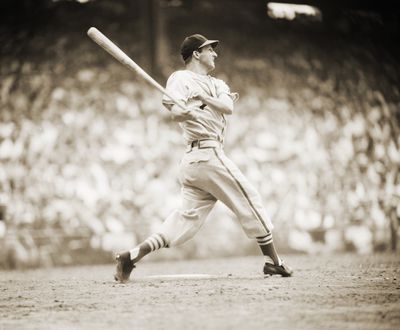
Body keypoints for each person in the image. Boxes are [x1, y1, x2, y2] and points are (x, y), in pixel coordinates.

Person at [114, 34, 293, 282]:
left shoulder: (218, 84)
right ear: (197, 54)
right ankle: (275, 262)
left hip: (200, 161)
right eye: (210, 49)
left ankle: (131, 256)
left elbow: (227, 107)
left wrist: (200, 100)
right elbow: (175, 111)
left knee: (184, 223)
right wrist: (183, 111)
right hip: (205, 155)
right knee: (250, 199)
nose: (215, 54)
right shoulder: (180, 78)